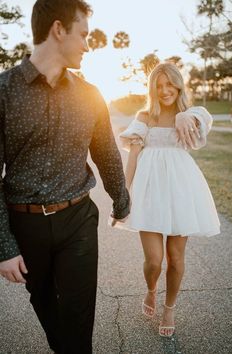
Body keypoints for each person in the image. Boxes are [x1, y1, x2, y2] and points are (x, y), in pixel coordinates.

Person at [0, 0, 130, 353]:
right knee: (46, 307)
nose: (88, 45)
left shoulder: (90, 95)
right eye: (83, 35)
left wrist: (121, 200)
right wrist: (5, 246)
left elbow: (106, 153)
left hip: (78, 220)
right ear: (58, 29)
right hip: (26, 225)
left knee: (77, 313)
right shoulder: (4, 91)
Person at [117, 63, 220, 337]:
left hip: (180, 191)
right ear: (152, 89)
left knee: (175, 258)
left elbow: (205, 116)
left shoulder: (187, 115)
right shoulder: (145, 116)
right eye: (158, 86)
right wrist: (124, 196)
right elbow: (133, 158)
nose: (164, 91)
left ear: (178, 85)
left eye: (169, 84)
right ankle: (151, 290)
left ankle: (169, 307)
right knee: (154, 261)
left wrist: (187, 116)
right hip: (150, 192)